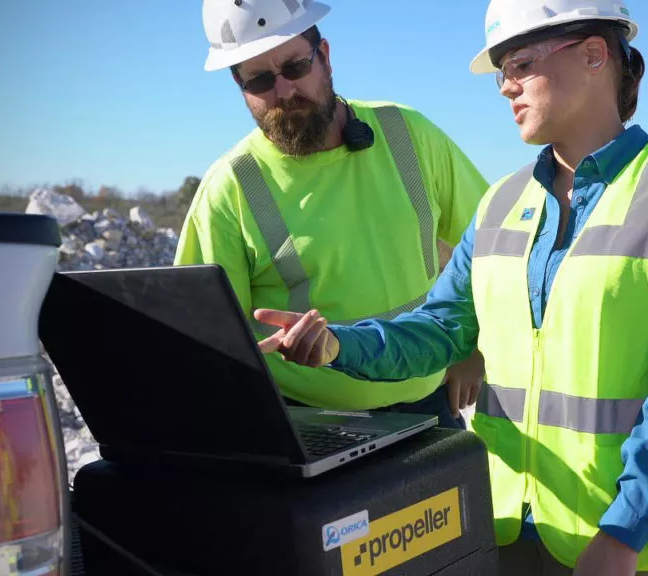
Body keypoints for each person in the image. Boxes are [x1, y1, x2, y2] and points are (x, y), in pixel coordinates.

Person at [254, 0, 648, 574]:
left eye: (519, 65)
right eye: (501, 71)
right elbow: (438, 331)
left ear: (593, 54)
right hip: (502, 525)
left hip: (621, 543)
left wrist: (624, 533)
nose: (505, 87)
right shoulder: (500, 204)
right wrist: (338, 345)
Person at [174, 0, 490, 429]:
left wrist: (474, 348)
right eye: (261, 80)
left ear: (324, 56)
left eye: (294, 68)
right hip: (311, 423)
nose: (283, 91)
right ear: (239, 83)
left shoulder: (408, 133)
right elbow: (207, 342)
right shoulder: (229, 189)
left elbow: (494, 249)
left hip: (428, 407)